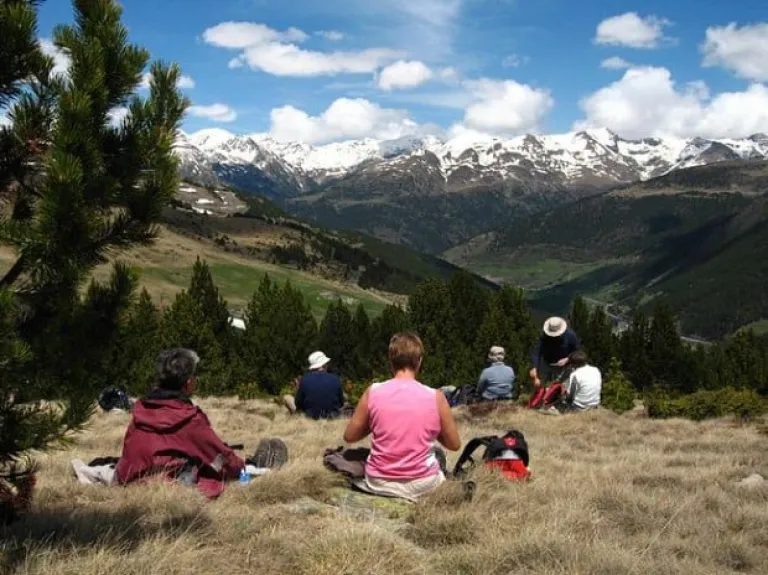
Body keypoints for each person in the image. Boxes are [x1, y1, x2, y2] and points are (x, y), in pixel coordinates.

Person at [342, 332, 461, 502]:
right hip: (423, 483)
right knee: (438, 455)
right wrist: (434, 430)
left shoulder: (373, 391)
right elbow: (454, 444)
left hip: (378, 481)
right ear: (419, 361)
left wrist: (374, 423)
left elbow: (350, 436)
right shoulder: (436, 397)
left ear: (391, 361)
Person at [114, 348, 245, 498]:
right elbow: (218, 456)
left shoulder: (140, 411)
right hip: (166, 489)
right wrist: (242, 466)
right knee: (206, 473)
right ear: (188, 382)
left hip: (129, 482)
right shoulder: (189, 418)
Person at [284, 351, 345, 420]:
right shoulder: (335, 379)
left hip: (310, 418)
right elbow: (341, 403)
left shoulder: (305, 379)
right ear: (324, 365)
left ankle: (293, 418)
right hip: (333, 417)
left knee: (287, 397)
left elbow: (298, 403)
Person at [529, 316, 580, 389]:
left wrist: (567, 359)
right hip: (547, 364)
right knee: (544, 387)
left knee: (563, 387)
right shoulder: (544, 336)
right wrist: (534, 367)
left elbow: (577, 351)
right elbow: (536, 352)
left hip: (565, 367)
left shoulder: (570, 336)